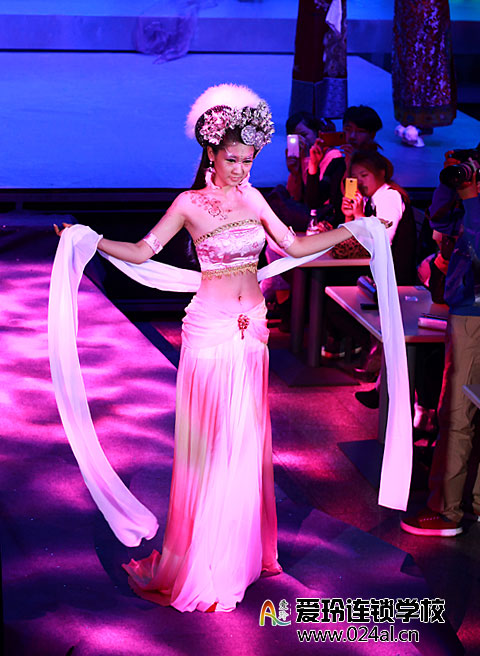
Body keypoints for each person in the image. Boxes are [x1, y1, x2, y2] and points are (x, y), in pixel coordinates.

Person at [54, 84, 359, 612]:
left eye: (248, 161)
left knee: (245, 443)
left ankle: (238, 556)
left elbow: (292, 245)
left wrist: (353, 230)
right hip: (211, 330)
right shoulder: (189, 204)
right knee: (212, 448)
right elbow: (143, 250)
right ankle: (206, 561)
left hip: (252, 329)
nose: (240, 170)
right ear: (211, 154)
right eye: (232, 159)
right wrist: (92, 240)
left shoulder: (254, 197)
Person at [400, 170, 480, 537]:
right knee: (468, 409)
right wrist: (451, 186)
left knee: (457, 413)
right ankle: (471, 501)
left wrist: (471, 199)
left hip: (473, 313)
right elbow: (442, 222)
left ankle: (446, 511)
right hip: (468, 308)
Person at [306, 105, 383, 228]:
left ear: (372, 135)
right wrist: (313, 164)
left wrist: (351, 166)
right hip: (337, 230)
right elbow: (314, 202)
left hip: (362, 231)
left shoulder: (376, 167)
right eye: (348, 129)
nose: (352, 136)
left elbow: (355, 202)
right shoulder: (337, 164)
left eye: (360, 131)